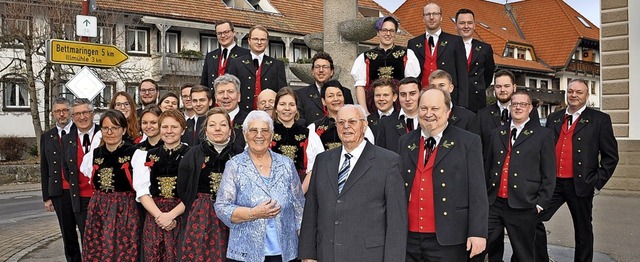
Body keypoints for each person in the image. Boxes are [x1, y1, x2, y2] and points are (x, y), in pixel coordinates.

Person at [299, 104, 407, 262]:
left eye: (352, 121)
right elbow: (311, 211)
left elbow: (397, 222)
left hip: (368, 256)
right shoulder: (322, 161)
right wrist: (308, 254)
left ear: (364, 125)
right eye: (341, 122)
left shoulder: (388, 162)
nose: (346, 127)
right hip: (327, 254)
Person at [534, 79, 619, 262]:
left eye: (579, 92)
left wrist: (597, 182)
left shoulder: (600, 120)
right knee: (532, 219)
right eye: (571, 91)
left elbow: (610, 157)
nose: (574, 95)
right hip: (553, 184)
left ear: (586, 95)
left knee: (583, 231)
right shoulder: (554, 118)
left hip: (580, 184)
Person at [399, 88, 487, 261]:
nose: (428, 114)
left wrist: (478, 232)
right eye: (423, 108)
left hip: (449, 236)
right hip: (409, 237)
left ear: (447, 111)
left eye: (435, 109)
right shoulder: (405, 141)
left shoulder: (468, 142)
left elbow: (478, 192)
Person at [215, 110, 305, 262]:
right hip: (245, 253)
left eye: (264, 130)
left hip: (286, 252)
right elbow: (222, 207)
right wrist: (253, 213)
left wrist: (305, 247)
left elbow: (299, 207)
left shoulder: (286, 164)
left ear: (271, 135)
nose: (259, 135)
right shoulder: (234, 165)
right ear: (245, 134)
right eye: (253, 130)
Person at [484, 92, 556, 262]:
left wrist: (540, 204)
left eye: (522, 104)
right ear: (510, 107)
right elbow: (488, 167)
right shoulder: (497, 133)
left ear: (530, 108)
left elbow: (549, 173)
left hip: (524, 204)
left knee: (524, 254)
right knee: (485, 246)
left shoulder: (543, 135)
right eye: (514, 104)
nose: (517, 107)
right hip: (494, 202)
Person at [177, 107, 244, 261]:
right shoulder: (193, 154)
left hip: (234, 213)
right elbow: (183, 187)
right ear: (205, 129)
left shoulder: (240, 154)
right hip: (200, 214)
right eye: (212, 125)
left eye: (223, 124)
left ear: (230, 129)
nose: (218, 129)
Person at [80, 110, 143, 261]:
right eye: (105, 128)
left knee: (123, 250)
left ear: (124, 129)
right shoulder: (94, 154)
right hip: (99, 208)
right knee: (97, 248)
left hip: (125, 209)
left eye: (114, 128)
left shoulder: (134, 153)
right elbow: (88, 176)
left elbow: (141, 187)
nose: (110, 132)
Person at [133, 109, 189, 261]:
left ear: (182, 130)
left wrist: (171, 216)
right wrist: (160, 216)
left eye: (174, 127)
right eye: (165, 127)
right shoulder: (146, 155)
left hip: (182, 215)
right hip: (155, 215)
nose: (169, 131)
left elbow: (193, 192)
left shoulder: (192, 155)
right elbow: (142, 191)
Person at [351, 16, 419, 114]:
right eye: (384, 30)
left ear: (395, 33)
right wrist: (365, 112)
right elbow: (360, 87)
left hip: (399, 106)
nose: (388, 34)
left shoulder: (407, 54)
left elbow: (411, 85)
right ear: (378, 32)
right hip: (374, 106)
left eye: (391, 30)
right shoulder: (365, 57)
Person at [408, 3, 469, 107]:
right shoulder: (413, 43)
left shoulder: (455, 41)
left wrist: (462, 105)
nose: (431, 17)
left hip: (449, 99)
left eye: (435, 14)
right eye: (428, 14)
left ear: (441, 17)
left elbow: (463, 75)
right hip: (422, 98)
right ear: (423, 18)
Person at [40, 97, 78, 262]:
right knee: (68, 235)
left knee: (86, 231)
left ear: (70, 111)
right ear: (53, 113)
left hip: (79, 190)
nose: (62, 114)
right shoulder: (47, 137)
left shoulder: (79, 131)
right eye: (58, 111)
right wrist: (47, 197)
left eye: (65, 110)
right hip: (59, 193)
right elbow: (44, 167)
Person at [61, 98, 99, 251]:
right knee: (87, 241)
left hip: (104, 198)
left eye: (85, 112)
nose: (82, 117)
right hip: (81, 200)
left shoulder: (105, 133)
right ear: (72, 117)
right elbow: (67, 171)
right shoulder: (67, 140)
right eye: (77, 114)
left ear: (92, 114)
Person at [270, 87, 323, 193]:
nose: (287, 108)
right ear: (275, 108)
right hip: (270, 190)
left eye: (291, 104)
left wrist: (300, 192)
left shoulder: (308, 134)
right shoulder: (267, 132)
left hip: (302, 190)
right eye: (282, 104)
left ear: (296, 108)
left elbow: (315, 166)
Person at [226, 25, 287, 112]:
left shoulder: (277, 65)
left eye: (262, 39)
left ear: (267, 42)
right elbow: (230, 90)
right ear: (249, 41)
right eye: (255, 39)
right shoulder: (236, 63)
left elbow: (282, 93)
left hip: (269, 114)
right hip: (242, 113)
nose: (259, 42)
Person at [307, 80, 375, 151]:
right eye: (331, 96)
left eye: (339, 95)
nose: (336, 99)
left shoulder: (361, 124)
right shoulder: (314, 128)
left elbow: (370, 151)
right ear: (323, 101)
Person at [455, 8, 496, 112]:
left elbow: (488, 74)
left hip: (477, 100)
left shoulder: (485, 49)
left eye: (469, 23)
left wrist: (478, 88)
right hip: (454, 99)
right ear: (456, 25)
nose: (466, 26)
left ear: (474, 25)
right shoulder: (449, 46)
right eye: (462, 23)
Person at [297, 52, 354, 124]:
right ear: (312, 71)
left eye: (325, 67)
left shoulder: (345, 92)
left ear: (332, 72)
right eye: (317, 67)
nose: (321, 70)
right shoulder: (301, 94)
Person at [200, 20, 250, 91]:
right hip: (214, 100)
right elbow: (204, 84)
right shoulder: (210, 56)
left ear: (233, 33)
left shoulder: (246, 54)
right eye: (219, 33)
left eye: (226, 32)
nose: (223, 36)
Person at [375, 77, 420, 152]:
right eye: (403, 94)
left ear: (420, 94)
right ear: (398, 96)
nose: (407, 99)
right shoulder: (385, 123)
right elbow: (380, 155)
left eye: (412, 94)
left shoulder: (430, 120)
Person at [429, 69, 480, 135]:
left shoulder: (468, 117)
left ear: (451, 88)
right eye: (433, 86)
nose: (437, 89)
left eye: (442, 85)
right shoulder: (424, 116)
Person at [214, 74, 249, 149]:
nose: (225, 96)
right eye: (221, 92)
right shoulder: (206, 120)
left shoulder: (249, 120)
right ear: (216, 98)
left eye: (230, 92)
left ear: (239, 96)